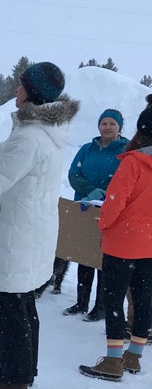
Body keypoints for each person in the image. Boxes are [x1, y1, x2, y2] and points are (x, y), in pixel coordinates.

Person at [0, 62, 80, 389]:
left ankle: (14, 379)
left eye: (21, 86)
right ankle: (23, 369)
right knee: (23, 304)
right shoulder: (41, 132)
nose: (16, 90)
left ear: (33, 92)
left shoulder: (31, 137)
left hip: (19, 234)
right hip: (32, 230)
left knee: (9, 306)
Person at [79, 96, 152, 381]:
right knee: (144, 299)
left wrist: (105, 226)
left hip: (122, 242)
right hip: (149, 243)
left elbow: (113, 202)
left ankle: (112, 361)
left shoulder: (133, 163)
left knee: (114, 300)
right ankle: (134, 356)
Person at [62, 109, 130, 321]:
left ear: (119, 127)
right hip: (85, 205)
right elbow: (73, 174)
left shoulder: (126, 150)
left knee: (103, 258)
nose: (107, 127)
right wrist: (89, 190)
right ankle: (81, 302)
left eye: (112, 123)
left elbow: (127, 178)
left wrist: (107, 193)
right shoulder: (87, 149)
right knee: (84, 254)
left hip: (112, 209)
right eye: (104, 123)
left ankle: (100, 306)